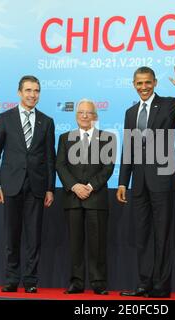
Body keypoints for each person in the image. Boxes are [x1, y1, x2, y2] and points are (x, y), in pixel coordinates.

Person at [117, 64, 175, 298]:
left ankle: (161, 287)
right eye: (139, 83)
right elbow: (129, 148)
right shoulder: (130, 113)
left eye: (147, 82)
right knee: (142, 235)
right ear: (134, 85)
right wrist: (123, 181)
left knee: (163, 235)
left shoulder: (170, 104)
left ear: (155, 83)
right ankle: (144, 284)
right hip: (139, 183)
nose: (143, 87)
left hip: (163, 179)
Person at [0, 75, 56, 293]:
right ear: (19, 92)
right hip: (11, 186)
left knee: (34, 237)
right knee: (12, 235)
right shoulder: (5, 118)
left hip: (37, 187)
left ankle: (31, 281)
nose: (32, 95)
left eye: (36, 91)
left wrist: (50, 188)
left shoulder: (47, 121)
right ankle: (11, 279)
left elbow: (50, 158)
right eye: (28, 90)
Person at [56, 99, 116, 295]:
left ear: (95, 116)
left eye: (88, 113)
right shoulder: (65, 138)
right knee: (75, 244)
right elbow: (60, 165)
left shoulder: (107, 138)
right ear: (76, 116)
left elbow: (108, 168)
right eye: (80, 112)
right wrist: (74, 186)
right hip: (73, 199)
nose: (84, 115)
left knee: (97, 244)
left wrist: (89, 186)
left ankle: (98, 282)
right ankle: (76, 282)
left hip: (96, 199)